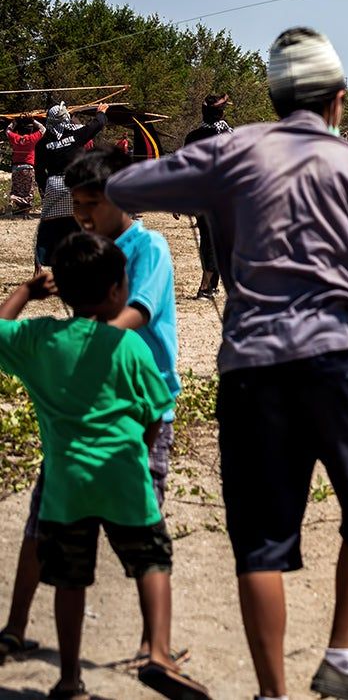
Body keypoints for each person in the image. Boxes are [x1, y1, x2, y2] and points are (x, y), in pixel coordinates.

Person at [107, 26, 348, 700]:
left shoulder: (232, 152)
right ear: (338, 100)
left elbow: (125, 184)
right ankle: (339, 660)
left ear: (275, 97)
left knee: (262, 542)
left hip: (251, 369)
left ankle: (271, 694)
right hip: (343, 365)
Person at [0, 233, 211, 700]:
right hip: (126, 479)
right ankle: (157, 651)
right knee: (152, 560)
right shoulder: (129, 346)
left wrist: (27, 291)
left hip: (64, 487)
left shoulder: (42, 340)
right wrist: (138, 451)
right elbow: (157, 411)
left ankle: (70, 678)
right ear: (118, 290)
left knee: (70, 580)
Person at [35, 103, 107, 271]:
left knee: (50, 227)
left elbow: (39, 172)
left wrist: (46, 189)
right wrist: (101, 112)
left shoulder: (42, 143)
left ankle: (43, 261)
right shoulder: (76, 135)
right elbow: (97, 125)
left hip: (53, 185)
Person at [182, 94, 233, 299]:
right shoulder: (230, 135)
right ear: (221, 112)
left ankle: (209, 285)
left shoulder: (193, 137)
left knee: (211, 240)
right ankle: (208, 285)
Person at [6, 115, 43, 217]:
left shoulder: (15, 138)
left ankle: (11, 203)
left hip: (16, 168)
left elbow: (8, 131)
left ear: (19, 131)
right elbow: (43, 129)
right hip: (28, 167)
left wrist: (14, 122)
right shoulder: (32, 138)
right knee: (29, 190)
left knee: (16, 188)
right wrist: (33, 120)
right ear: (30, 131)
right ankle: (26, 213)